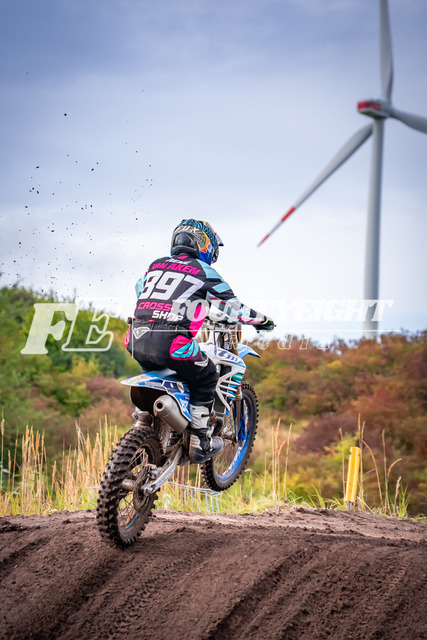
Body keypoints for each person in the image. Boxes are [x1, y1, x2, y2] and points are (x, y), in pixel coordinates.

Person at [127, 219, 275, 463]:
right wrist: (262, 320)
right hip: (171, 343)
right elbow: (235, 309)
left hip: (136, 339)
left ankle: (143, 423)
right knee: (206, 375)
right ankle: (199, 440)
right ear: (204, 245)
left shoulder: (156, 265)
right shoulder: (204, 271)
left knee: (162, 373)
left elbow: (140, 289)